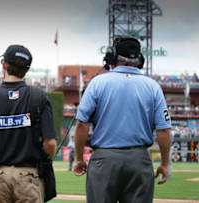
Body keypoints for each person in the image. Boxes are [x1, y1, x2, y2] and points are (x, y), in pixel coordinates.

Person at [73, 36, 172, 203]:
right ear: (140, 59)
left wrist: (78, 158)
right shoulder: (153, 86)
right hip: (139, 160)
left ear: (112, 57)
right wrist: (164, 163)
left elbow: (82, 124)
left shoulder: (97, 83)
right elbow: (164, 130)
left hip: (104, 160)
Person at [0, 44, 57, 203]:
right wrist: (47, 159)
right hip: (29, 176)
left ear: (4, 64)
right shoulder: (39, 96)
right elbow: (50, 143)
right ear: (27, 70)